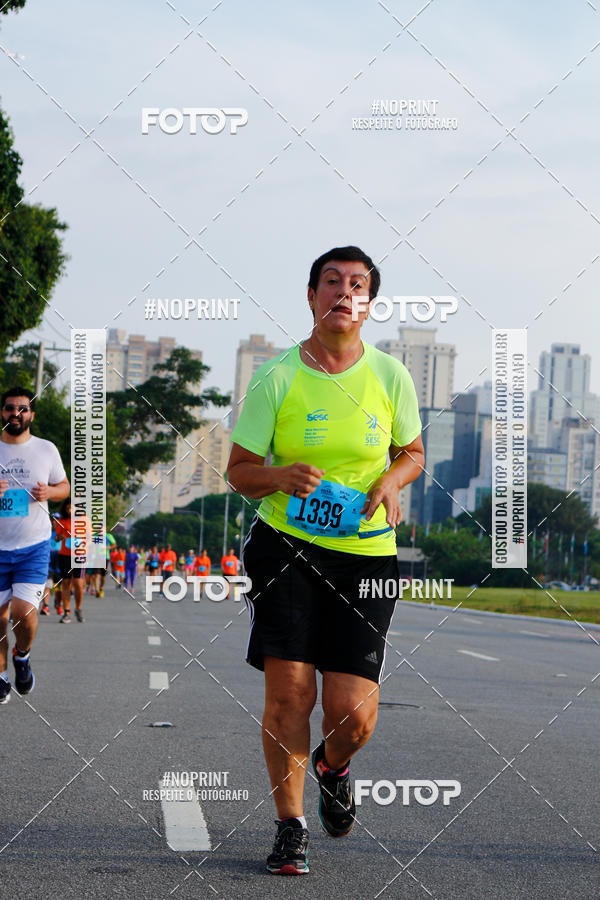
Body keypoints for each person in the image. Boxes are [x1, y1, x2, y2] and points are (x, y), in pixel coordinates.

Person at [226, 247, 424, 874]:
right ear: (311, 297)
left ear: (369, 304)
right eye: (331, 282)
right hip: (285, 549)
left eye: (357, 285)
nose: (343, 292)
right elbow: (239, 472)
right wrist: (279, 476)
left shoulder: (391, 375)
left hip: (365, 557)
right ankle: (291, 826)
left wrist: (392, 480)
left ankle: (333, 768)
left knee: (352, 714)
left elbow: (413, 452)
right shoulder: (276, 376)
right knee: (290, 696)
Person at [0, 386, 70, 702]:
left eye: (22, 409)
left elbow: (64, 486)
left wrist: (49, 493)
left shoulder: (45, 449)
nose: (15, 413)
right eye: (10, 408)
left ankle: (22, 655)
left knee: (22, 612)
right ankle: (1, 676)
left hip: (33, 546)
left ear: (31, 414)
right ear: (2, 412)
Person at [54, 498, 86, 623]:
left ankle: (78, 608)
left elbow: (90, 537)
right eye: (67, 508)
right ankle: (66, 612)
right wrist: (59, 537)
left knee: (78, 583)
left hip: (80, 555)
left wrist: (86, 544)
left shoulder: (84, 520)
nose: (69, 510)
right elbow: (56, 538)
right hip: (65, 555)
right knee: (66, 583)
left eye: (72, 507)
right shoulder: (62, 521)